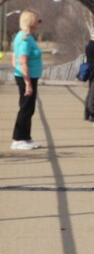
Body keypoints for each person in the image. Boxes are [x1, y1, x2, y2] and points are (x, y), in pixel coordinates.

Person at [11, 10, 43, 150]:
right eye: (37, 20)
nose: (39, 23)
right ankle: (18, 139)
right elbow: (23, 61)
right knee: (25, 108)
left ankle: (26, 137)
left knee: (29, 108)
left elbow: (14, 58)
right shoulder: (24, 38)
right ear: (31, 22)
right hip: (26, 78)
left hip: (29, 77)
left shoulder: (27, 37)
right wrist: (27, 83)